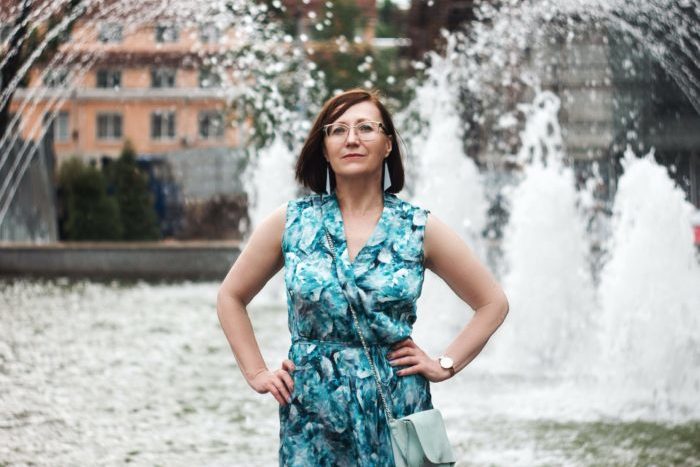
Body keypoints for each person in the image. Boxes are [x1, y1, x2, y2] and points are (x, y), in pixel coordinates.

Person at [216, 88, 509, 466]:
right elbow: (231, 297)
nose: (352, 139)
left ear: (388, 144)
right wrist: (256, 372)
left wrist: (445, 364)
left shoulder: (418, 228)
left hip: (395, 405)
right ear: (323, 148)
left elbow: (492, 303)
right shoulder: (292, 222)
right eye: (337, 130)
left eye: (366, 128)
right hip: (313, 411)